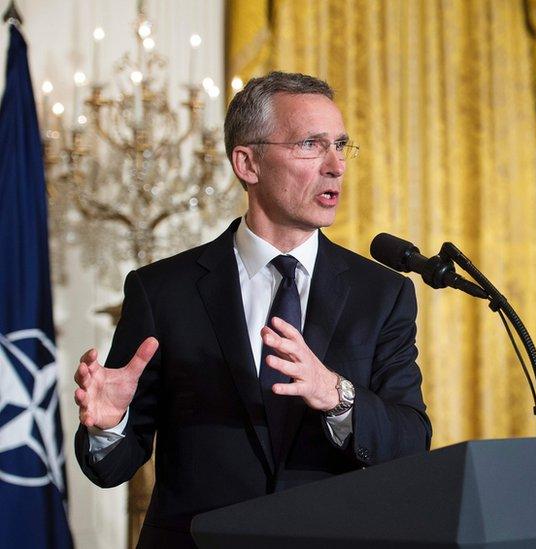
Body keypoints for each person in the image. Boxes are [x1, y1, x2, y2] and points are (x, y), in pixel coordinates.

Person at [73, 71, 431, 548]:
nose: (336, 165)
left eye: (341, 145)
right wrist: (110, 425)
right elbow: (112, 468)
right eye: (311, 144)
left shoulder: (382, 294)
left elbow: (410, 441)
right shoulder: (162, 291)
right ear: (247, 163)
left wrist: (335, 394)